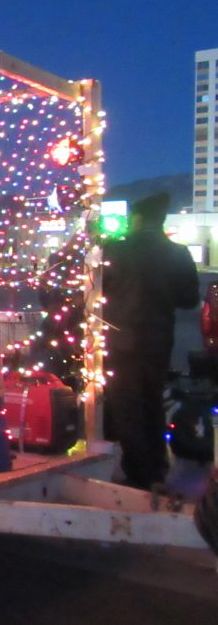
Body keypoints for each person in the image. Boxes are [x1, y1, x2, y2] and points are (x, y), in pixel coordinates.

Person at [103, 192, 199, 490]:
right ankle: (157, 469)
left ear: (138, 218)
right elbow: (189, 299)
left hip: (122, 338)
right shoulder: (178, 253)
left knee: (126, 404)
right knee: (152, 401)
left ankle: (140, 474)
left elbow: (97, 289)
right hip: (158, 339)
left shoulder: (116, 250)